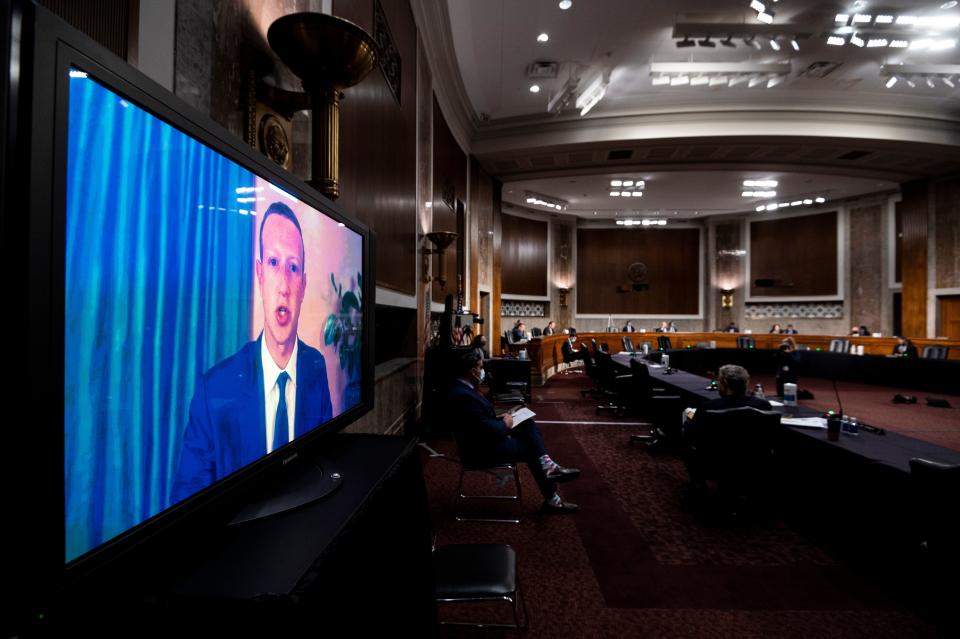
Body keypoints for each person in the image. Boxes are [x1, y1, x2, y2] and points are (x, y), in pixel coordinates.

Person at [172, 202, 333, 503]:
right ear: (259, 275)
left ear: (303, 284)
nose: (283, 285)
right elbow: (186, 503)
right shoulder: (213, 391)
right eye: (273, 263)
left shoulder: (315, 367)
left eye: (293, 267)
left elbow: (327, 459)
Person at [447, 350, 580, 513]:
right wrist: (505, 424)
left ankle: (549, 468)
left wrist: (500, 419)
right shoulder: (462, 395)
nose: (483, 371)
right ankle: (552, 496)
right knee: (531, 448)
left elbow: (478, 423)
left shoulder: (465, 388)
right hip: (481, 450)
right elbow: (483, 431)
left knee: (527, 424)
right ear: (471, 370)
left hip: (485, 439)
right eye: (480, 367)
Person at [681, 364, 772, 493]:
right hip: (754, 461)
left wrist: (687, 422)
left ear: (723, 383)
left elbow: (693, 435)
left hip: (715, 462)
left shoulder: (709, 407)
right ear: (746, 382)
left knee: (684, 434)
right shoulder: (763, 405)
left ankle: (698, 484)